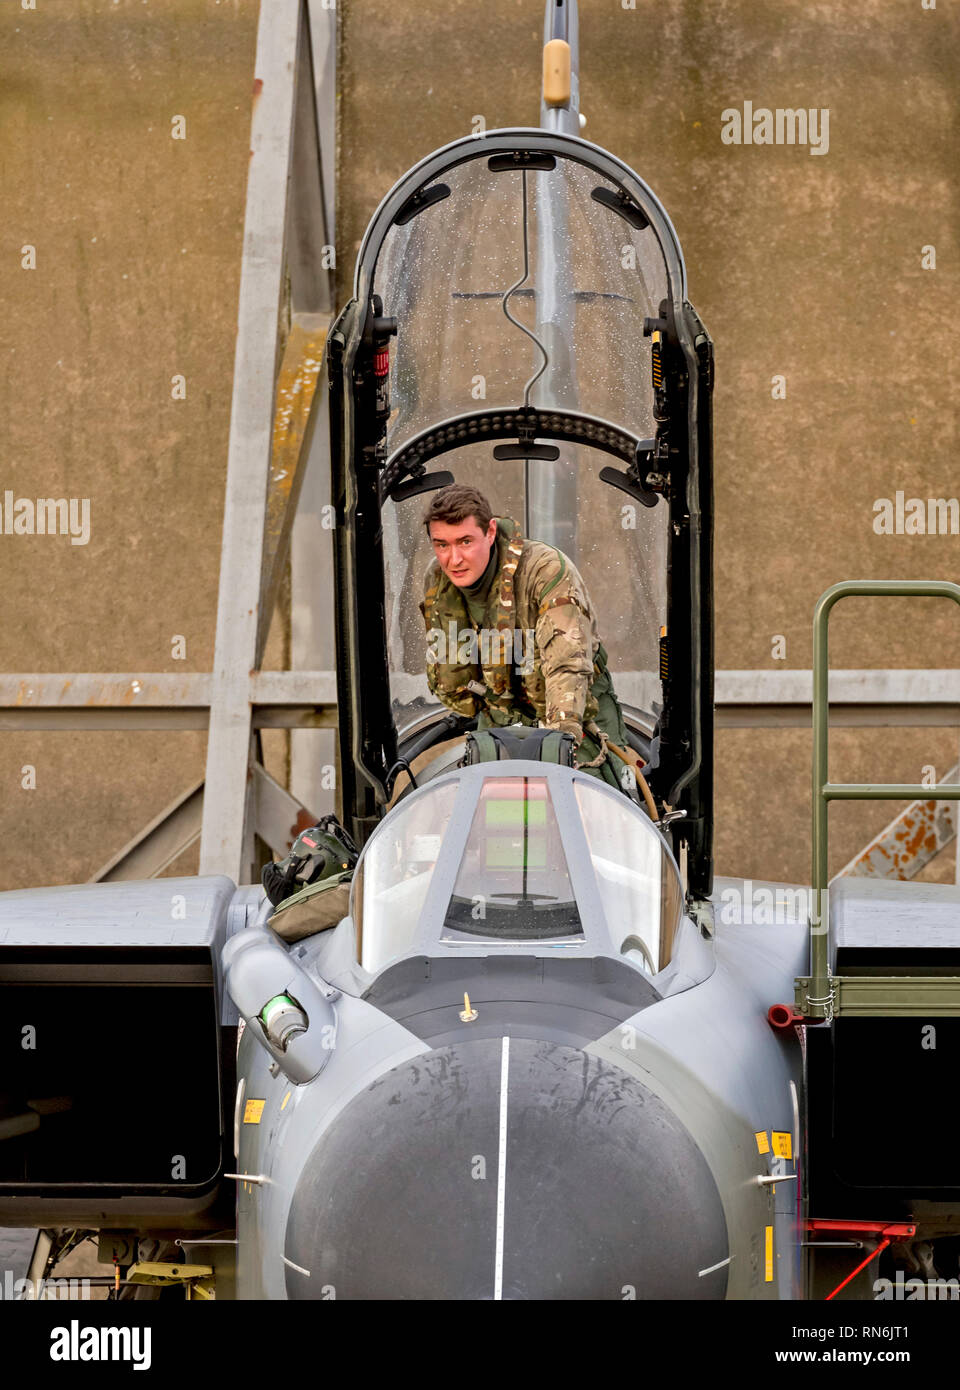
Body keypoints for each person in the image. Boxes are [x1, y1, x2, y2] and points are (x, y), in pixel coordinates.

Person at [419, 483, 630, 789]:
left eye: (465, 542)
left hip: (577, 713)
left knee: (592, 805)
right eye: (442, 545)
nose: (454, 559)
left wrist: (562, 740)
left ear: (490, 532)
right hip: (501, 713)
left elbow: (567, 665)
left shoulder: (544, 570)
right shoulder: (438, 581)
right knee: (489, 812)